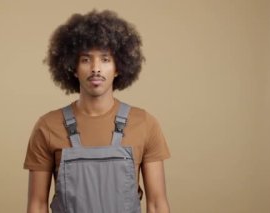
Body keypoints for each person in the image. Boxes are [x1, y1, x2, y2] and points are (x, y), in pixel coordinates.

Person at [24, 10, 171, 213]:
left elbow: (157, 205)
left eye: (105, 59)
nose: (96, 68)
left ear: (118, 67)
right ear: (72, 68)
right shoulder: (48, 126)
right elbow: (37, 205)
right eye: (85, 59)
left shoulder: (145, 123)